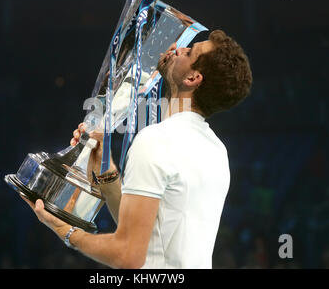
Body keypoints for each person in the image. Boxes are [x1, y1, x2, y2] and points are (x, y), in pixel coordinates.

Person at [23, 29, 253, 269]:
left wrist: (67, 233)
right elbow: (148, 232)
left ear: (193, 78)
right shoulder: (217, 150)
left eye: (190, 51)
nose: (179, 48)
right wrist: (106, 173)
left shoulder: (156, 140)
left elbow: (129, 255)